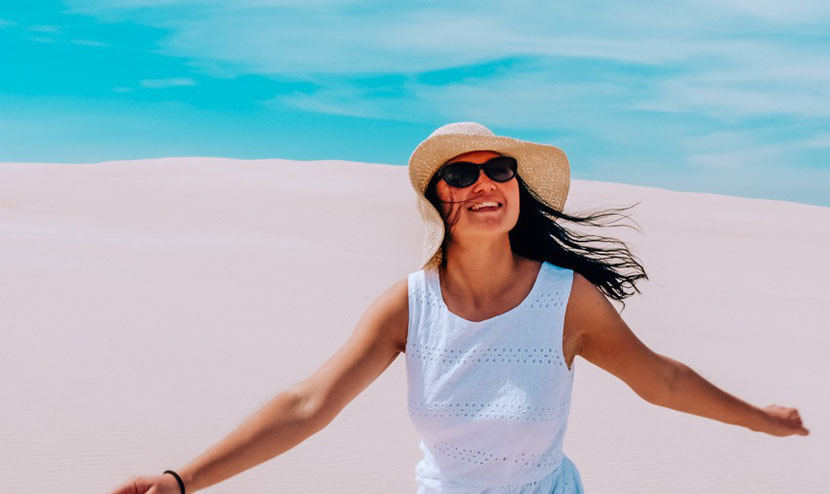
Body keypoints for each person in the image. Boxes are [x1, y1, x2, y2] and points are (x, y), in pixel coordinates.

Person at [108, 122, 809, 494]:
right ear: (436, 199)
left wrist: (762, 420)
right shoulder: (407, 308)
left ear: (518, 190)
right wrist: (182, 480)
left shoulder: (567, 300)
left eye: (499, 169)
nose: (485, 184)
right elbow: (306, 404)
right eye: (462, 173)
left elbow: (663, 381)